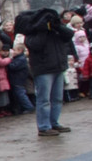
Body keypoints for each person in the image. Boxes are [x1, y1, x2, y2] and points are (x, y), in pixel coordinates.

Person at [14, 7, 74, 137]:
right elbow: (36, 45)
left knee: (57, 98)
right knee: (44, 99)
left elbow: (69, 35)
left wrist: (57, 26)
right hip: (43, 69)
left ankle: (54, 123)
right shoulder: (31, 34)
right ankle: (44, 126)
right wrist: (42, 29)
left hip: (58, 67)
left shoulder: (55, 31)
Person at [6, 43, 35, 116]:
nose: (13, 51)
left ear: (20, 50)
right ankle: (21, 108)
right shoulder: (20, 58)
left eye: (14, 50)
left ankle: (29, 107)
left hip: (18, 79)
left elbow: (13, 67)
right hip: (17, 79)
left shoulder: (21, 59)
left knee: (20, 94)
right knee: (18, 94)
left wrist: (9, 60)